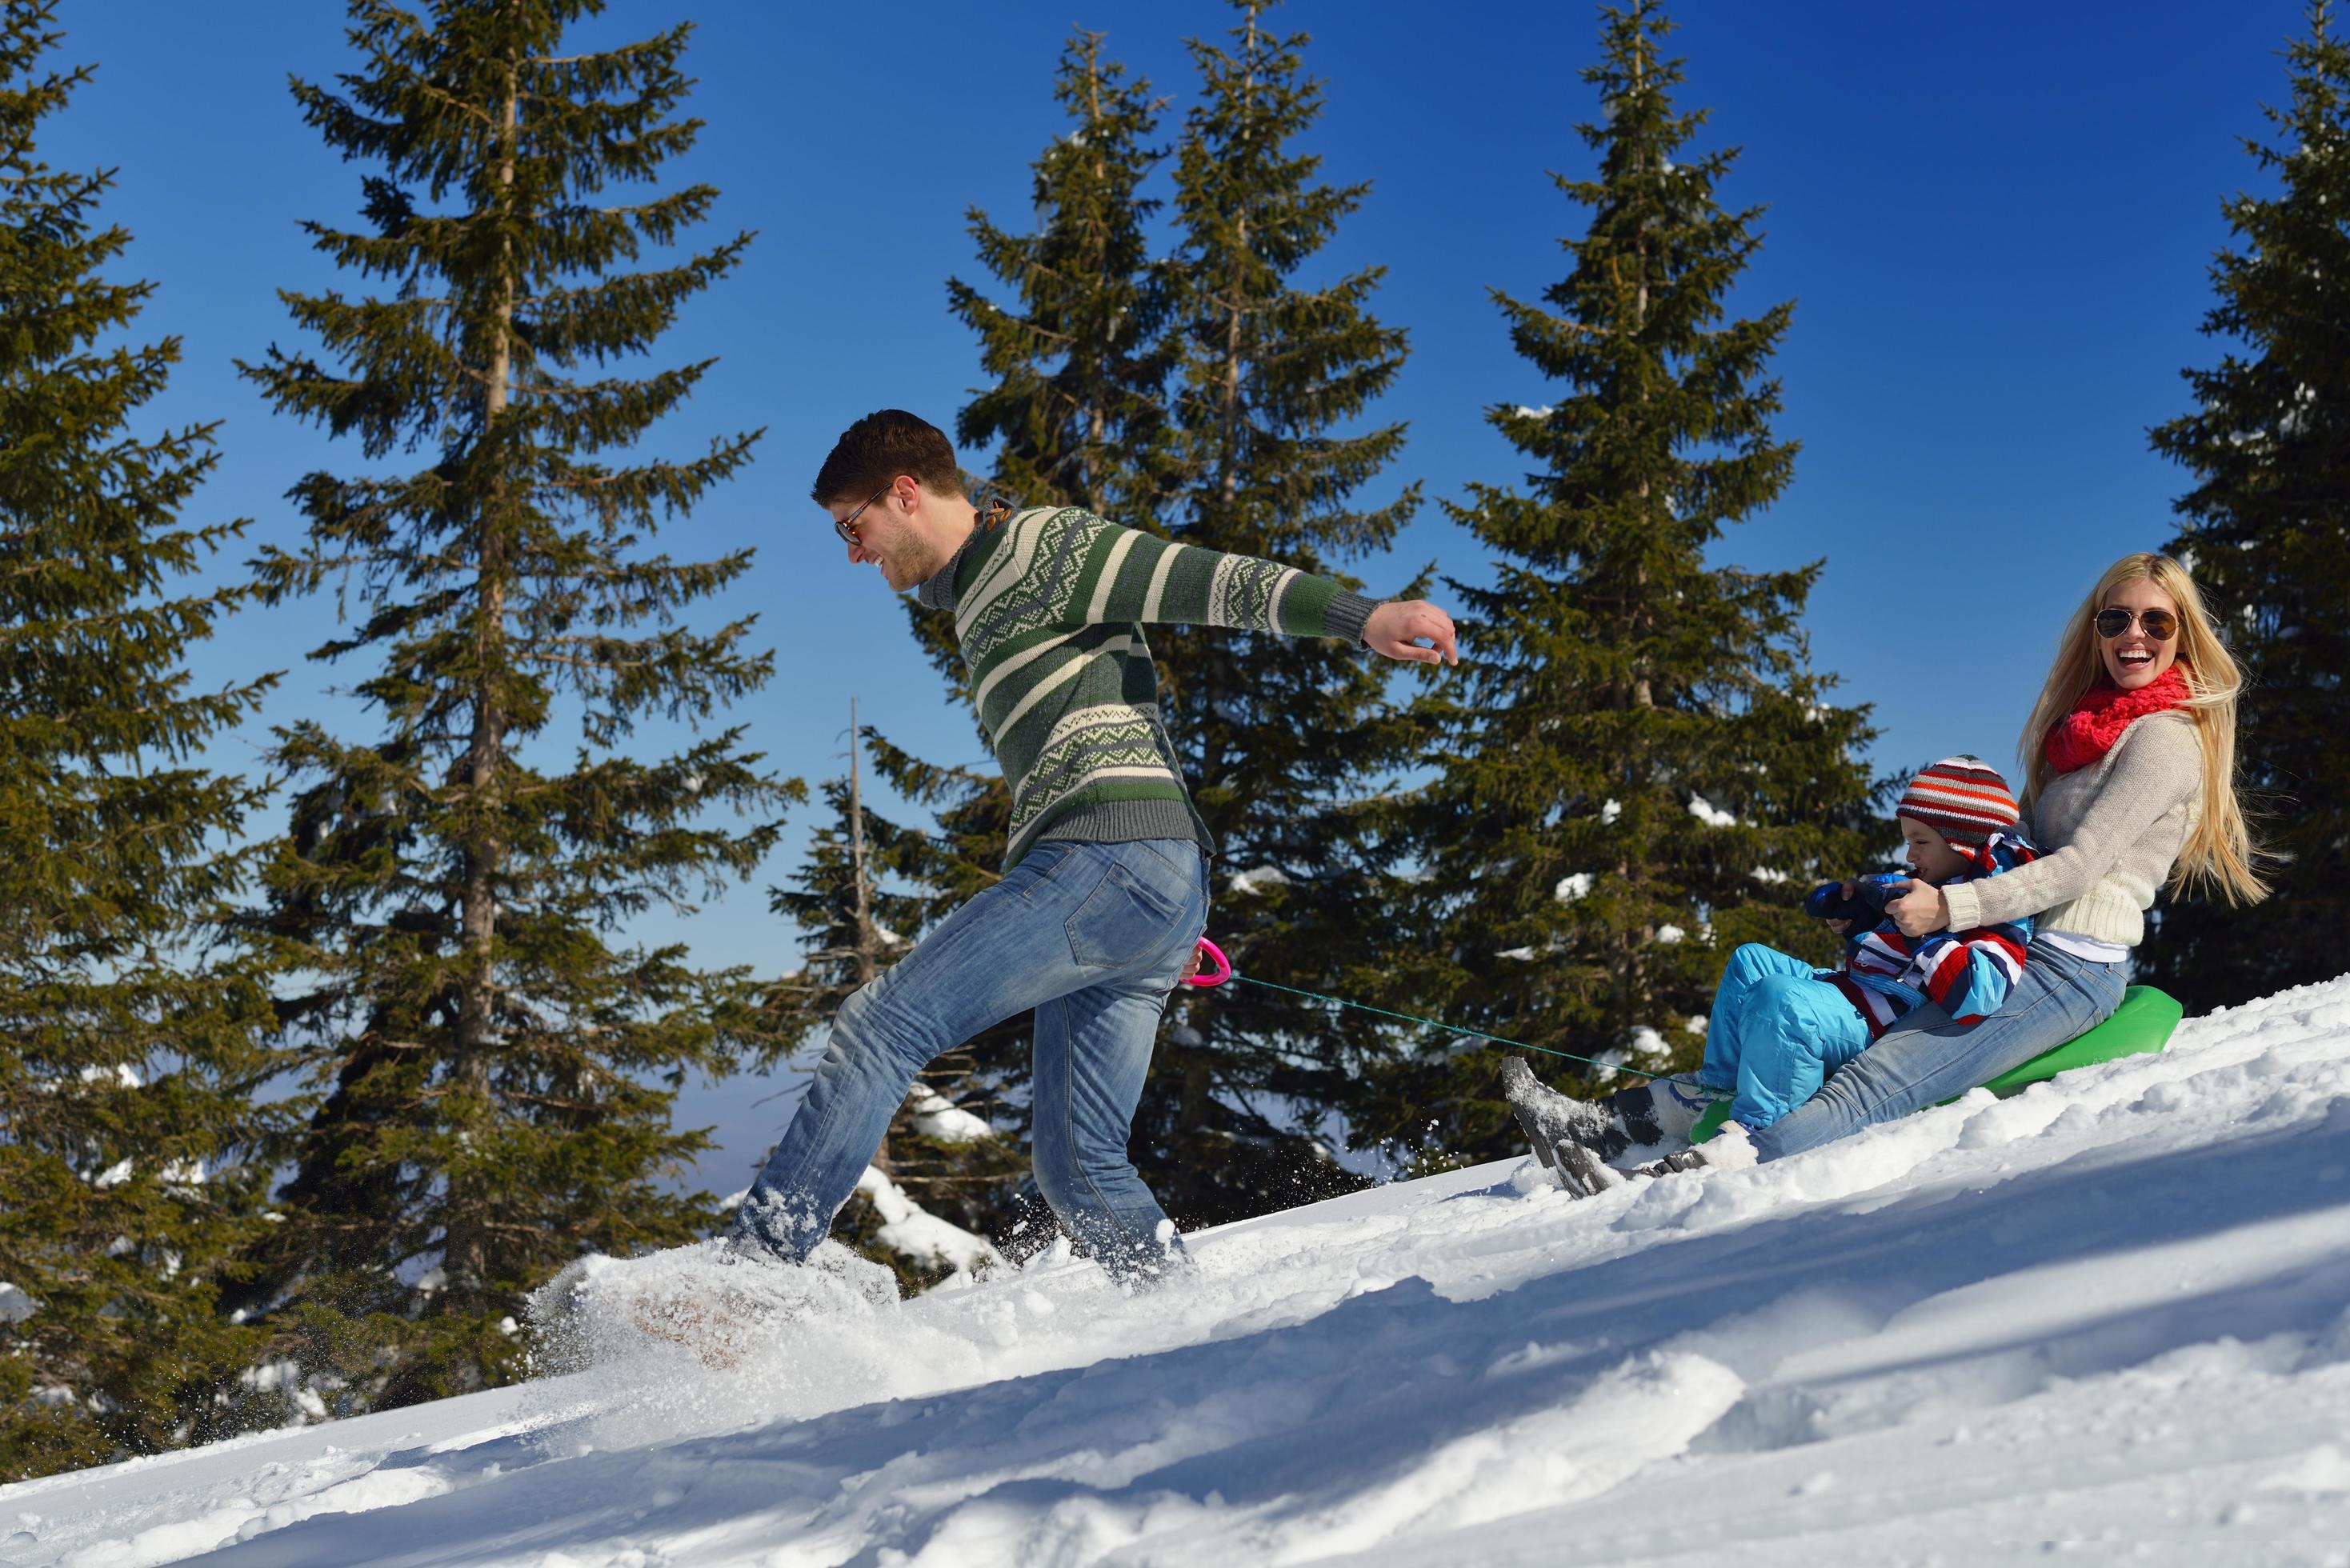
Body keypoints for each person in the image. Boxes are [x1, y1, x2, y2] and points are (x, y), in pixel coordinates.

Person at [730, 410, 1459, 1286]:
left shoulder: (1044, 546)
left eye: (856, 528)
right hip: (1141, 888)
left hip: (1109, 859)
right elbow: (948, 578)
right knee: (1079, 1171)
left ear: (907, 492)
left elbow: (1204, 580)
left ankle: (748, 1285)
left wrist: (1360, 617)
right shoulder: (979, 587)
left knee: (880, 1026)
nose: (853, 553)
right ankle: (1184, 1325)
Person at [1519, 550, 2267, 1188]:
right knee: (1797, 1003)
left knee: (1870, 1083)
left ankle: (1674, 1187)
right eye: (2115, 619)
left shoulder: (2164, 739)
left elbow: (2076, 867)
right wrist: (1898, 902)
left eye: (2154, 622)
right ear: (2096, 630)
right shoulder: (2083, 733)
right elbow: (2014, 854)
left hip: (2065, 971)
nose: (2132, 636)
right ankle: (1604, 1129)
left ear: (2182, 637)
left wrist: (1947, 912)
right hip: (2002, 945)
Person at [1503, 758, 2040, 1194]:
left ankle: (1750, 1133)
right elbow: (1875, 901)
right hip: (1853, 990)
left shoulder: (1989, 901)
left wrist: (1929, 930)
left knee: (1782, 999)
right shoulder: (1927, 883)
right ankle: (1705, 1094)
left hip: (1889, 1022)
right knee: (1751, 961)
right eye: (1906, 839)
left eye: (1920, 841)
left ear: (1964, 842)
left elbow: (1981, 992)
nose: (1908, 854)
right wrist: (1858, 905)